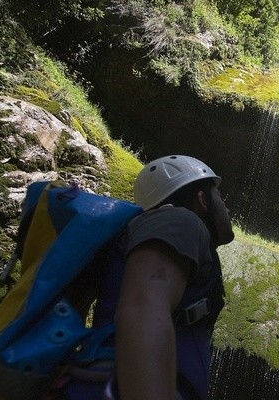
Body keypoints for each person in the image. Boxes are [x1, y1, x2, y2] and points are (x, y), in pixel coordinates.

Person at [61, 154, 234, 400]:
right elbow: (142, 310)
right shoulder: (179, 221)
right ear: (201, 199)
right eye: (220, 198)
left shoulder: (157, 231)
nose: (226, 208)